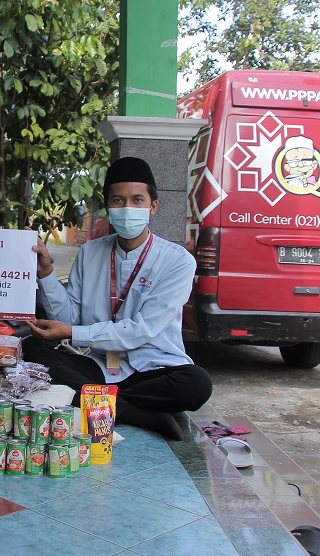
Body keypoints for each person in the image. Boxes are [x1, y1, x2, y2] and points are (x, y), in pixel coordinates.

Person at [25, 157, 212, 440]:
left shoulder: (178, 261)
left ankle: (102, 402)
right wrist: (47, 273)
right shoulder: (91, 252)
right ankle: (137, 413)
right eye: (118, 200)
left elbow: (142, 330)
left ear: (154, 206)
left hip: (153, 367)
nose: (128, 209)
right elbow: (67, 319)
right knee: (32, 350)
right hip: (98, 365)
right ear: (108, 207)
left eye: (137, 200)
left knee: (197, 384)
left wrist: (73, 333)